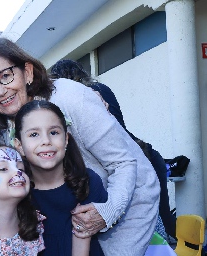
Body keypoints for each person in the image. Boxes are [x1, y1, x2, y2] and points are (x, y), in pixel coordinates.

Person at [0, 37, 159, 255]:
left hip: (127, 206)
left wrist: (107, 211)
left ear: (28, 73)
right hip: (70, 223)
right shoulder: (5, 130)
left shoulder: (70, 98)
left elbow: (124, 162)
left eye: (5, 76)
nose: (0, 91)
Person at [50, 59, 177, 239]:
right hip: (147, 156)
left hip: (141, 161)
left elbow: (117, 135)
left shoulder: (89, 95)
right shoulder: (88, 93)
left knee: (156, 224)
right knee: (160, 220)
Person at [14, 100, 107, 256]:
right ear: (19, 146)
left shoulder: (88, 182)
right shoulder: (15, 192)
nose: (46, 141)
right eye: (34, 134)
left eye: (54, 132)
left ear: (66, 140)